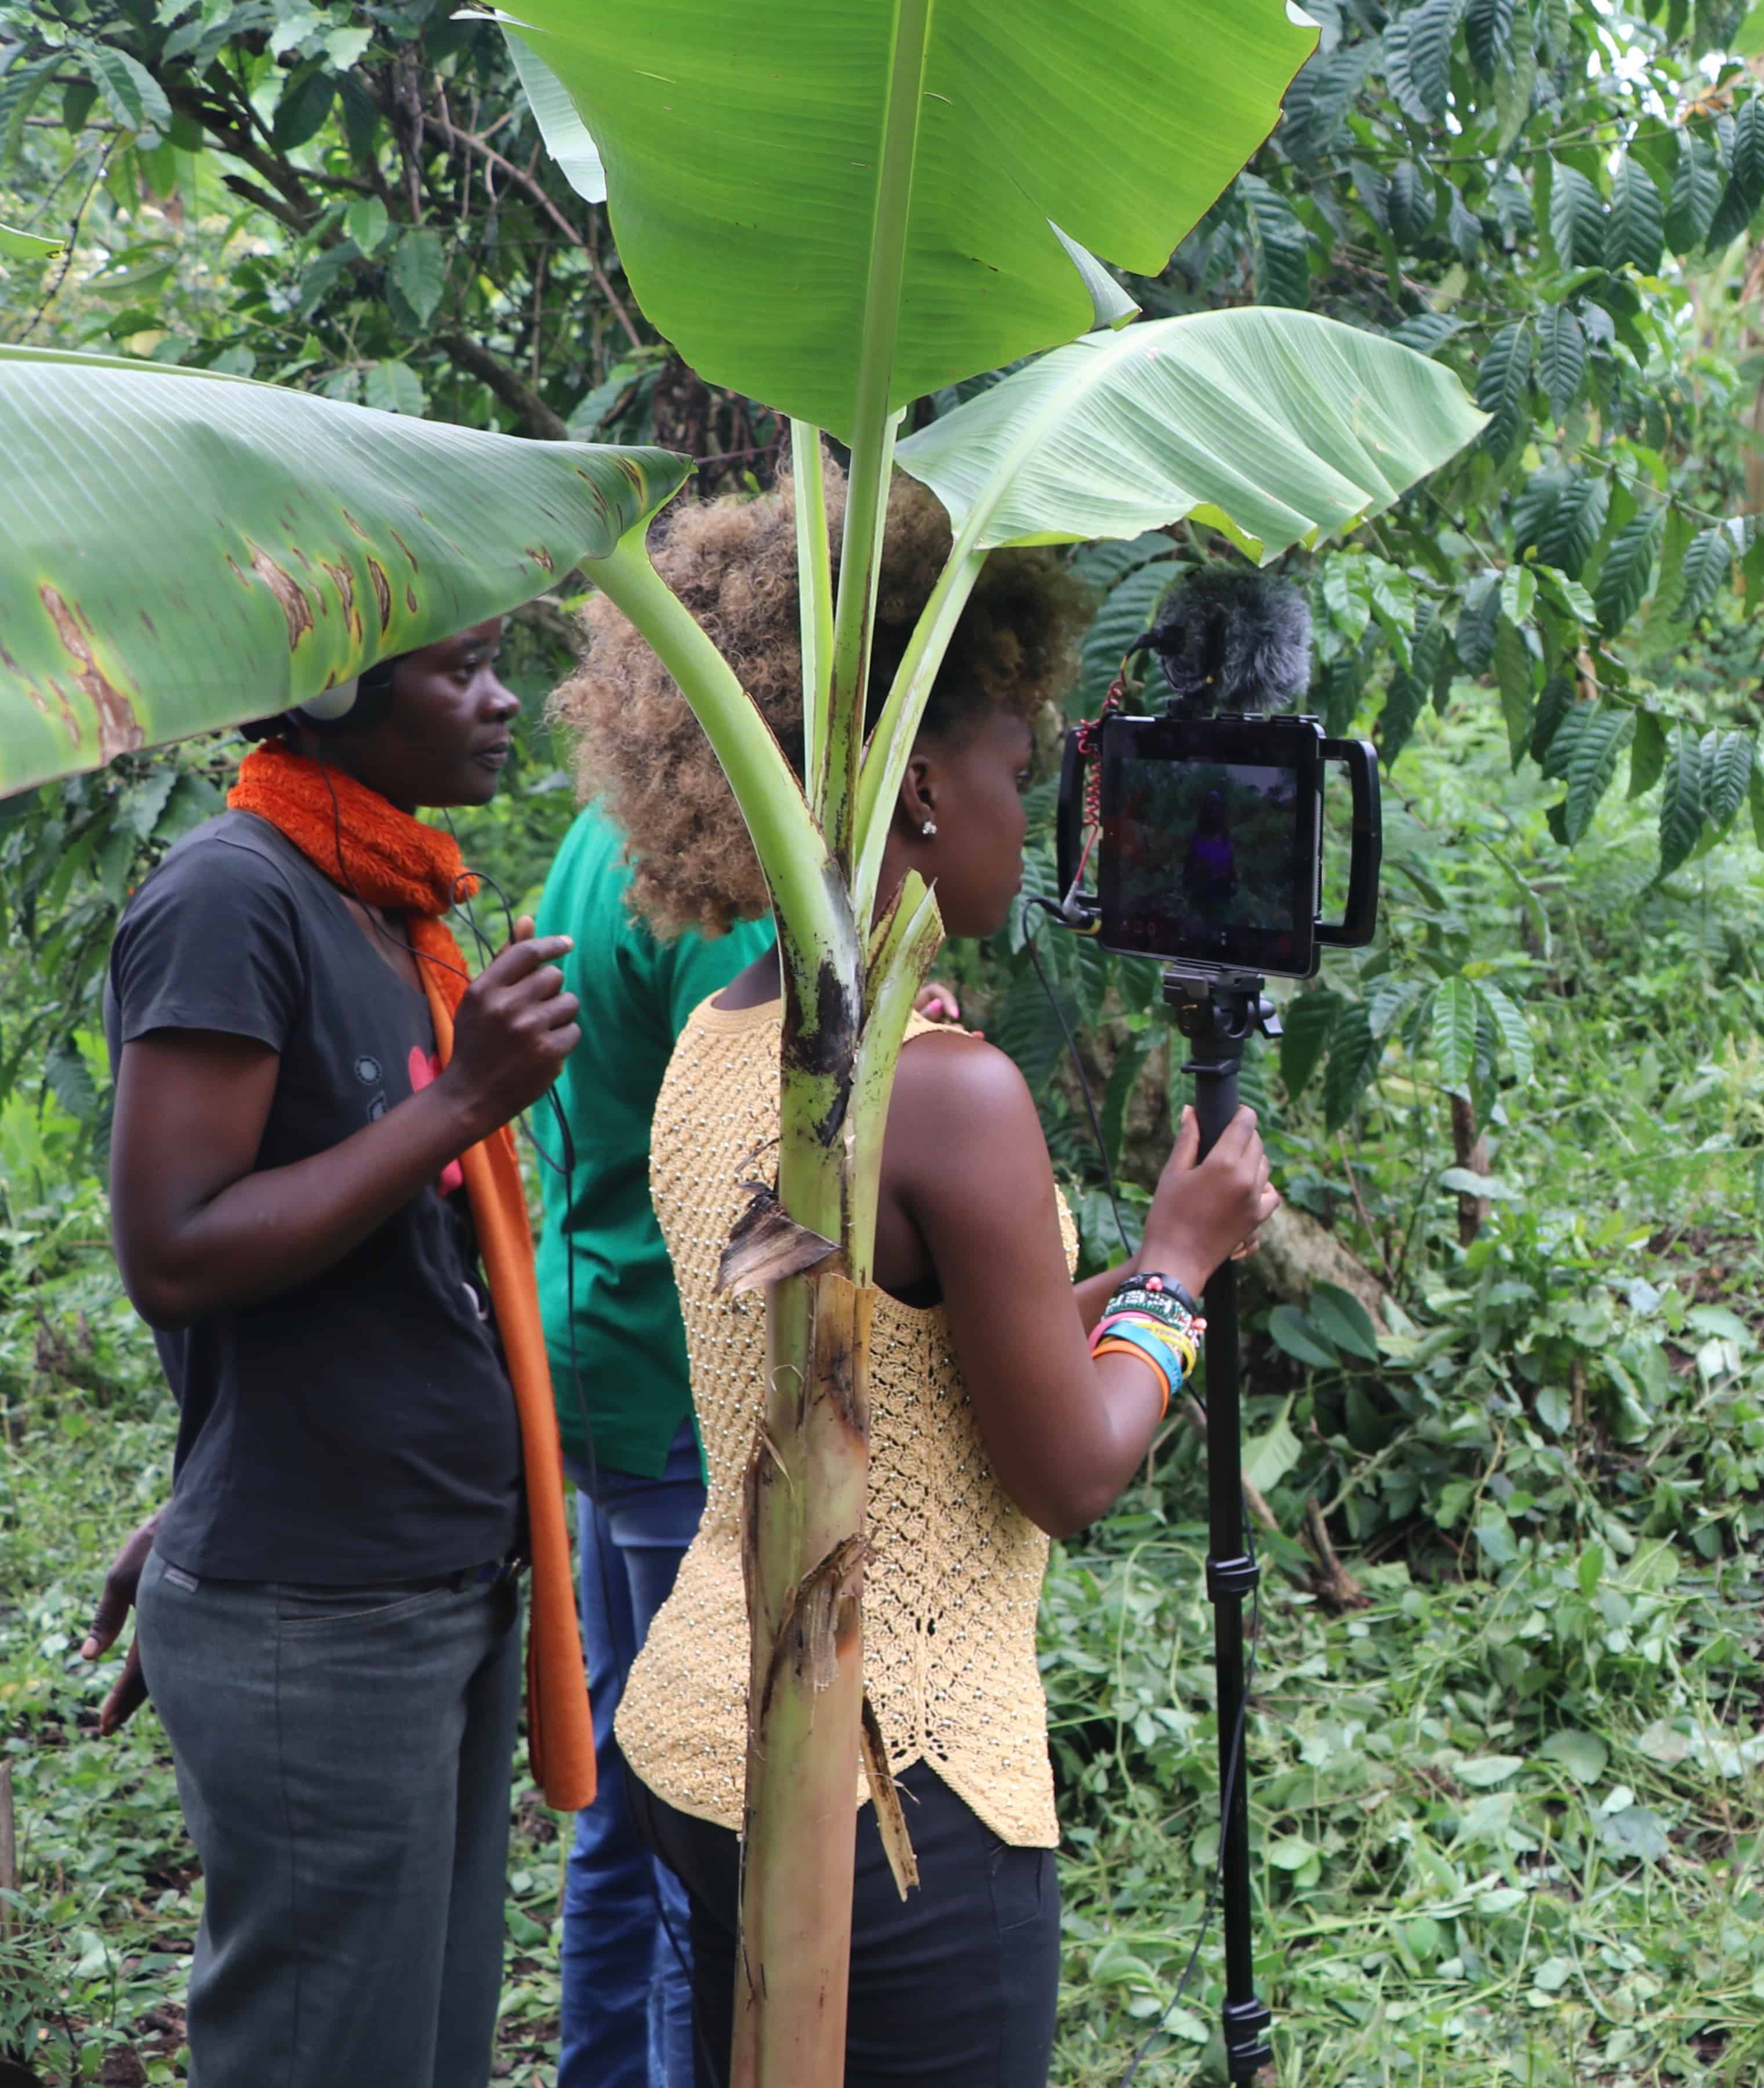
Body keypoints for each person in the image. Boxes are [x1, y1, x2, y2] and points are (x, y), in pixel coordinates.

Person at [553, 478, 1280, 2087]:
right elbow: (1074, 1469)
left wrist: (1109, 1303)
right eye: (1024, 771)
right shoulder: (945, 1093)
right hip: (896, 1800)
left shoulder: (718, 1041)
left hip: (707, 1738)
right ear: (929, 789)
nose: (1043, 814)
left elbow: (878, 1358)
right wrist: (1173, 1270)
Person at [92, 620, 587, 2083]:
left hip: (430, 1581)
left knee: (420, 2055)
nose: (503, 701)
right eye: (461, 669)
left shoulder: (388, 898)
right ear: (331, 691)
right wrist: (466, 1100)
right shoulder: (230, 899)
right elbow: (173, 1252)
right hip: (324, 1618)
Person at [535, 795, 777, 2088]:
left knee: (628, 1798)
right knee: (693, 1813)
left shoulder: (615, 817)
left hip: (602, 1338)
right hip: (674, 1375)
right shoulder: (723, 875)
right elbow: (748, 1167)